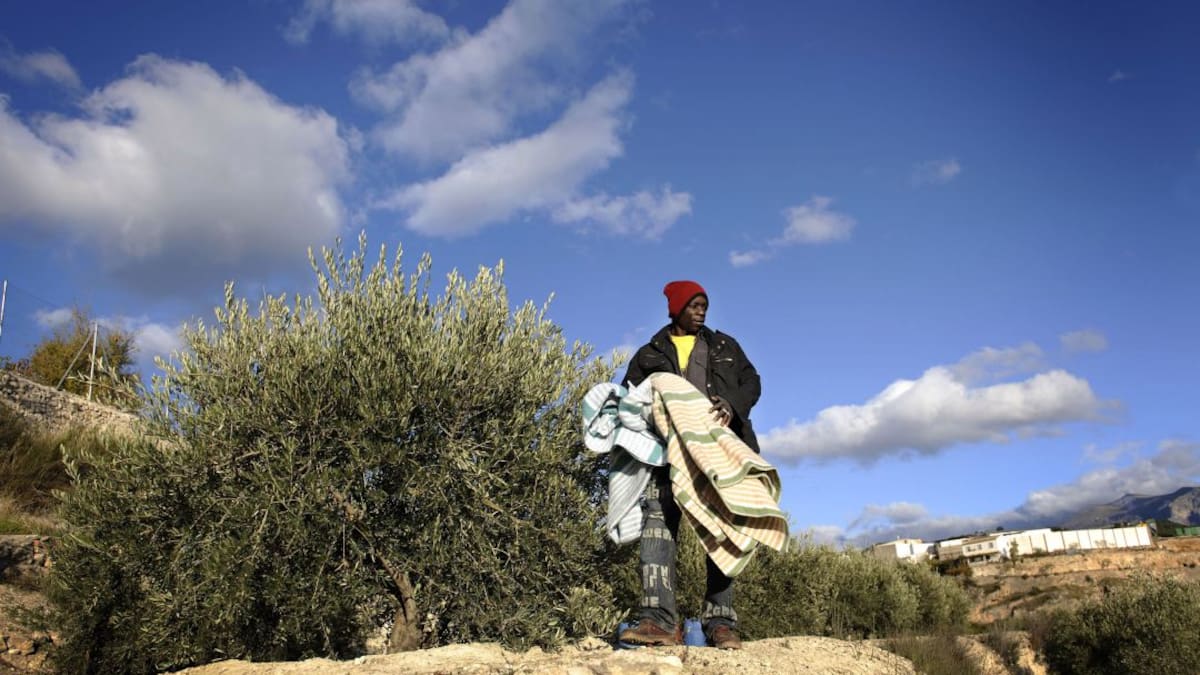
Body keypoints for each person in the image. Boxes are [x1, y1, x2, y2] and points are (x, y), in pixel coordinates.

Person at [618, 280, 761, 650]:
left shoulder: (724, 346)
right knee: (657, 530)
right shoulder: (649, 354)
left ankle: (720, 623)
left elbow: (752, 383)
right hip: (664, 456)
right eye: (694, 305)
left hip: (717, 453)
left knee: (722, 532)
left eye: (704, 305)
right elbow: (628, 399)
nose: (702, 311)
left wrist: (730, 403)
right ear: (676, 308)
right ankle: (658, 621)